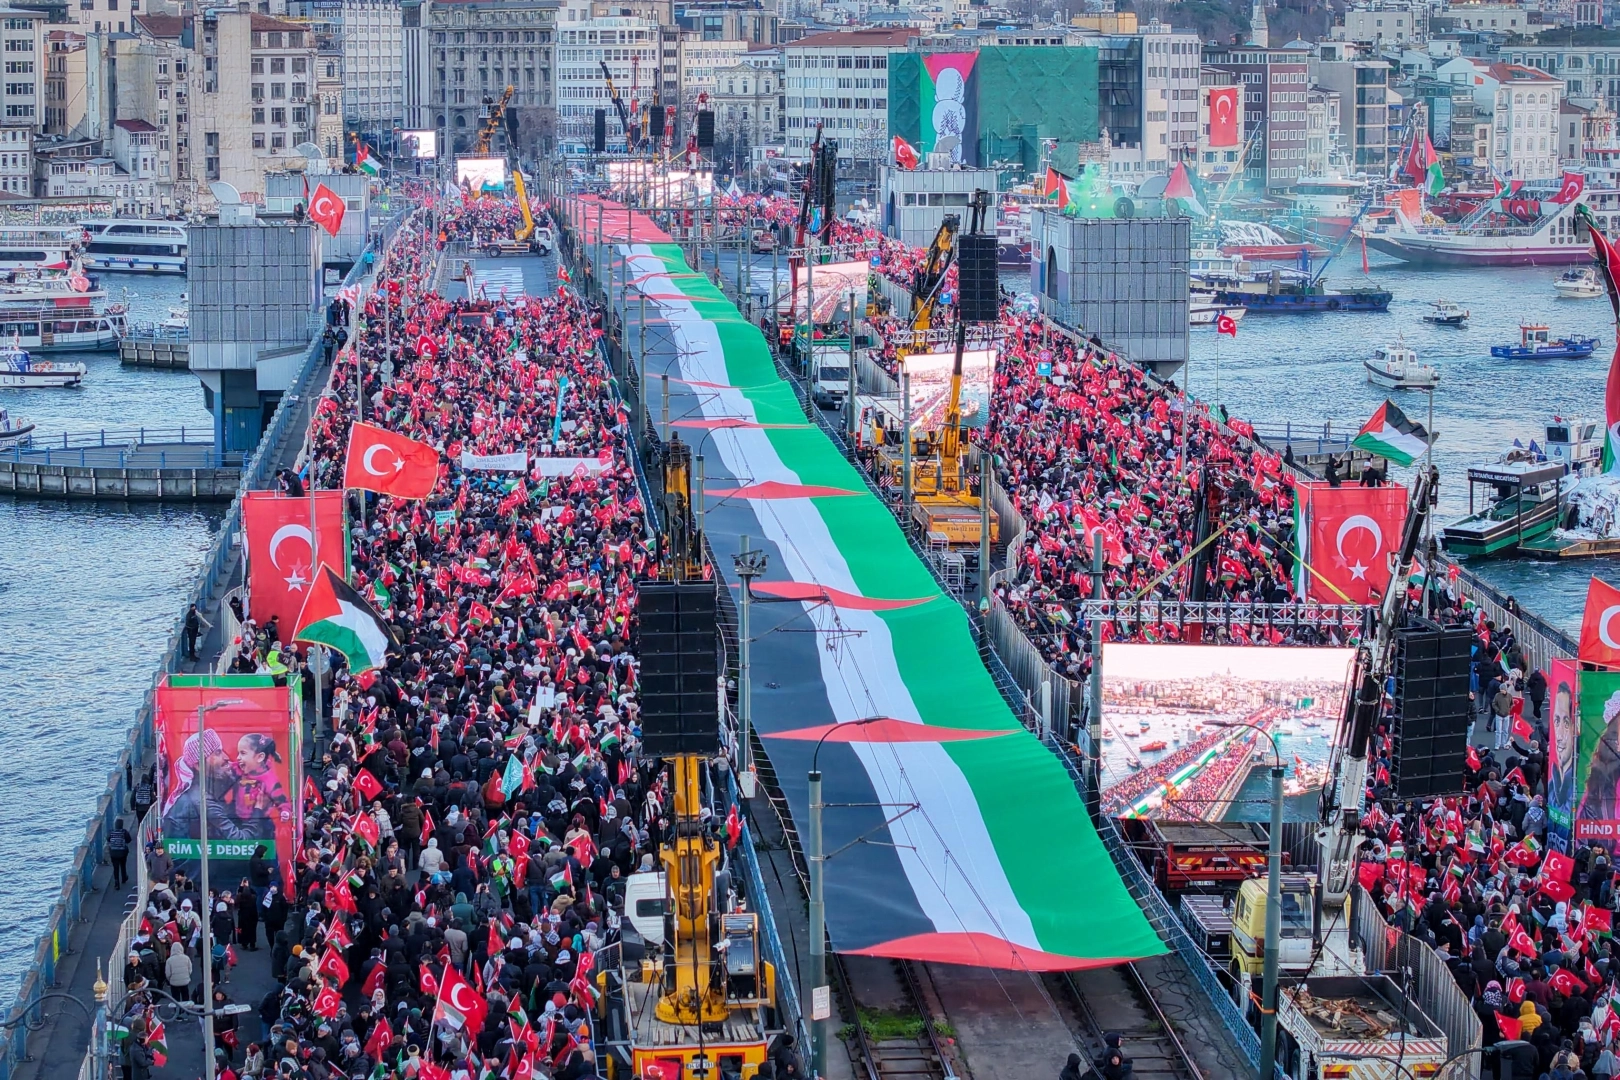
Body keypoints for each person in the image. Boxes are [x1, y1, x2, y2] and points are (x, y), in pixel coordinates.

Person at [107, 817, 131, 889]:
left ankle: (116, 883)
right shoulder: (124, 832)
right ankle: (124, 877)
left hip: (113, 853)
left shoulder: (111, 832)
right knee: (123, 865)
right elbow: (129, 840)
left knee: (115, 867)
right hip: (122, 852)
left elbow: (108, 839)